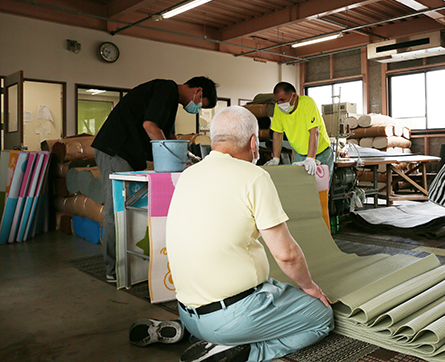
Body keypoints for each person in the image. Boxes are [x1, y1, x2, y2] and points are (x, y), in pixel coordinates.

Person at [130, 106, 333, 362]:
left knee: (272, 286)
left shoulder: (187, 175)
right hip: (233, 317)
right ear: (253, 143)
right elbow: (287, 255)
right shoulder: (254, 176)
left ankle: (190, 331)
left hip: (186, 310)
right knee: (321, 317)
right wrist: (310, 287)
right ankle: (244, 351)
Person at [92, 76, 217, 283]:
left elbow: (168, 136)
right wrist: (171, 155)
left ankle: (131, 263)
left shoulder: (170, 100)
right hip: (115, 150)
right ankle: (113, 269)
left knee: (129, 209)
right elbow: (150, 126)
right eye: (200, 104)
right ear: (198, 91)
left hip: (127, 154)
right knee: (117, 210)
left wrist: (186, 158)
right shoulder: (166, 89)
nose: (196, 109)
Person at [263, 82, 334, 178]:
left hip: (321, 152)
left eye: (282, 100)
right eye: (277, 101)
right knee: (297, 183)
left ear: (294, 96)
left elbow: (314, 132)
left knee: (320, 185)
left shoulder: (307, 103)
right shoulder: (278, 109)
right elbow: (277, 133)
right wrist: (276, 158)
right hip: (300, 153)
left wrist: (311, 158)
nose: (280, 104)